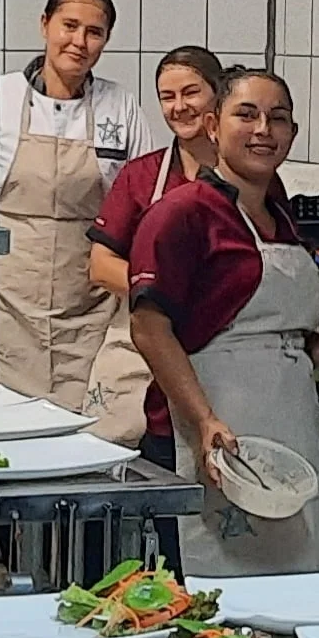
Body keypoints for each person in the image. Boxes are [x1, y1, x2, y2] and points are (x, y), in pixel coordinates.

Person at [128, 69, 319, 575]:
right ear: (213, 127)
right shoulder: (182, 213)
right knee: (217, 589)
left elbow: (265, 327)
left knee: (295, 582)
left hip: (288, 427)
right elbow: (150, 329)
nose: (264, 129)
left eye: (278, 119)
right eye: (247, 115)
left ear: (293, 135)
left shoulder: (279, 216)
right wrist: (203, 420)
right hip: (211, 426)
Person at [0, 0, 151, 411]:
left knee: (83, 434)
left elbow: (143, 214)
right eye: (69, 25)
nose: (79, 41)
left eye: (95, 32)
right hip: (1, 304)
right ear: (44, 24)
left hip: (87, 311)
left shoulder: (120, 107)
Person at [83, 46, 225, 452]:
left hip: (221, 363)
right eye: (168, 96)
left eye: (191, 93)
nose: (179, 107)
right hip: (146, 357)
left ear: (217, 95)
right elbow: (100, 266)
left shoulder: (246, 178)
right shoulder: (142, 176)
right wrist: (168, 296)